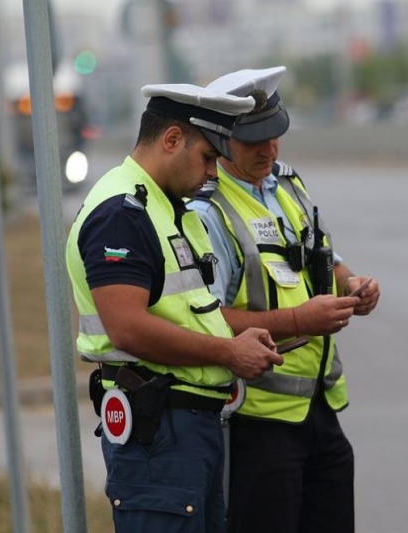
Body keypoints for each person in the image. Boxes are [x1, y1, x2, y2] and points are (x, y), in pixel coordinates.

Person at [65, 82, 285, 533]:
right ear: (171, 140)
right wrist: (228, 353)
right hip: (158, 433)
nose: (214, 173)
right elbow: (127, 328)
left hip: (186, 428)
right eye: (208, 157)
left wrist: (237, 338)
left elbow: (190, 310)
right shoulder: (122, 213)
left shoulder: (167, 207)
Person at [186, 66, 381, 533]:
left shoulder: (287, 183)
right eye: (255, 140)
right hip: (258, 421)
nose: (269, 149)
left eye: (276, 135)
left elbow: (326, 258)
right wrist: (299, 320)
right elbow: (205, 318)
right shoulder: (208, 209)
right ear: (221, 139)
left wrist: (354, 285)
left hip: (318, 409)